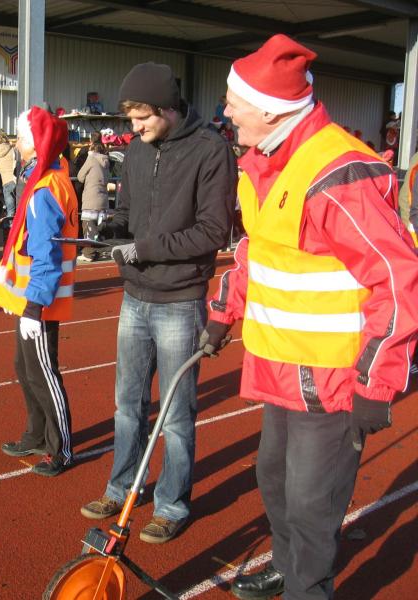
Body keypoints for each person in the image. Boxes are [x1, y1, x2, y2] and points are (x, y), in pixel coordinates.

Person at [200, 35, 418, 600]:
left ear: (270, 111)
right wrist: (225, 311)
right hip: (279, 364)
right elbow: (259, 249)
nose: (226, 111)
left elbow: (397, 279)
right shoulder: (261, 162)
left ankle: (308, 588)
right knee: (273, 480)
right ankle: (287, 568)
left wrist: (376, 383)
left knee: (311, 503)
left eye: (233, 102)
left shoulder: (338, 173)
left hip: (332, 377)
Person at [80, 62, 236, 545]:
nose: (134, 127)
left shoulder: (210, 149)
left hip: (180, 300)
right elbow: (127, 213)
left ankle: (171, 505)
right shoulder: (135, 149)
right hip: (135, 295)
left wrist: (145, 248)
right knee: (127, 405)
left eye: (142, 117)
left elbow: (214, 231)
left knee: (176, 414)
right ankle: (121, 486)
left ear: (168, 109)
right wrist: (107, 233)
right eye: (130, 118)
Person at [0, 106, 79, 477]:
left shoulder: (44, 189)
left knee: (42, 373)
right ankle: (37, 434)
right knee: (26, 368)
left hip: (41, 301)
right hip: (33, 297)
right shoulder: (44, 180)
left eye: (23, 137)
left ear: (37, 145)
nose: (17, 142)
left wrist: (34, 307)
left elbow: (46, 254)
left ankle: (61, 448)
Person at [76, 141, 110, 262]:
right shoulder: (106, 161)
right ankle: (98, 252)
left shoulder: (91, 159)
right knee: (99, 229)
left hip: (91, 198)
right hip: (103, 199)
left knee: (88, 227)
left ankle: (88, 254)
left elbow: (80, 176)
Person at [0, 132, 18, 222]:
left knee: (10, 208)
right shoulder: (12, 149)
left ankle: (10, 223)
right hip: (16, 179)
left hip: (6, 181)